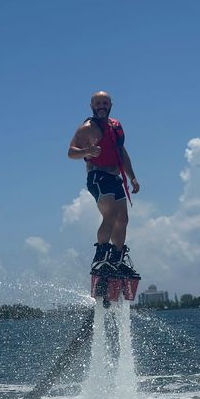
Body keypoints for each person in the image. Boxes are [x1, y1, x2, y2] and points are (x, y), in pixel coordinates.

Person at [68, 91, 140, 277]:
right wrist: (88, 151)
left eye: (105, 103)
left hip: (115, 177)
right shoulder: (86, 128)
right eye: (98, 103)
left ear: (110, 105)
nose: (102, 106)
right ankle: (101, 257)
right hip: (97, 176)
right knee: (111, 215)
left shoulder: (115, 126)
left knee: (123, 219)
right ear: (91, 106)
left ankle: (116, 259)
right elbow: (70, 152)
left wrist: (132, 177)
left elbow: (122, 153)